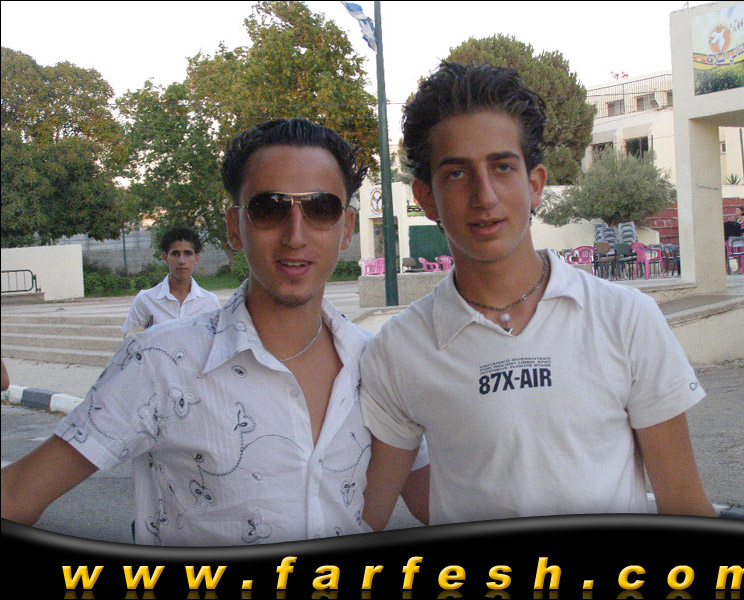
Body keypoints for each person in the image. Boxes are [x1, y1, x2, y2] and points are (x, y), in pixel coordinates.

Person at [1, 118, 428, 545]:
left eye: (320, 209)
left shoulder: (377, 366)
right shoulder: (159, 363)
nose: (295, 235)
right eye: (269, 208)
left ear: (346, 228)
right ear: (234, 227)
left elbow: (441, 502)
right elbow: (18, 494)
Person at [360, 62, 716, 531]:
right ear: (426, 197)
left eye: (502, 167)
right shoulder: (399, 348)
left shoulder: (626, 319)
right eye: (457, 173)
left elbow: (684, 504)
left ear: (535, 184)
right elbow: (364, 518)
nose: (485, 195)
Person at [121, 226, 221, 335]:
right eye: (175, 254)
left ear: (197, 258)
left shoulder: (210, 302)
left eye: (187, 253)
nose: (181, 261)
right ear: (165, 257)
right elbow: (129, 341)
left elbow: (217, 341)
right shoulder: (146, 300)